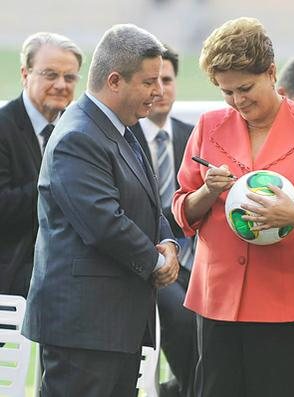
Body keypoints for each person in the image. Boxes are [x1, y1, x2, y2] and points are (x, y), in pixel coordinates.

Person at [172, 17, 294, 396]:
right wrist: (205, 192)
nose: (237, 101)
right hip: (217, 296)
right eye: (226, 92)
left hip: (287, 297)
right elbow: (181, 210)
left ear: (271, 72)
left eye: (245, 88)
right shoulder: (208, 125)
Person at [22, 24, 180, 396]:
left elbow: (149, 202)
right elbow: (104, 223)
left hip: (112, 327)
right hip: (84, 329)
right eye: (148, 82)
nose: (159, 92)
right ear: (114, 80)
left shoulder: (120, 128)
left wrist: (169, 242)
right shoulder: (79, 135)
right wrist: (157, 263)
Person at [130, 44, 196, 397]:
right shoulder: (125, 137)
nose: (161, 89)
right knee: (183, 319)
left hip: (196, 258)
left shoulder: (193, 134)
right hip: (148, 258)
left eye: (167, 80)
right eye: (152, 81)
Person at [0, 32, 83, 297]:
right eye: (50, 75)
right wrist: (58, 188)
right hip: (15, 262)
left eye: (69, 77)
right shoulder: (3, 127)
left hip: (70, 260)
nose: (61, 84)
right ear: (25, 74)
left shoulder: (79, 129)